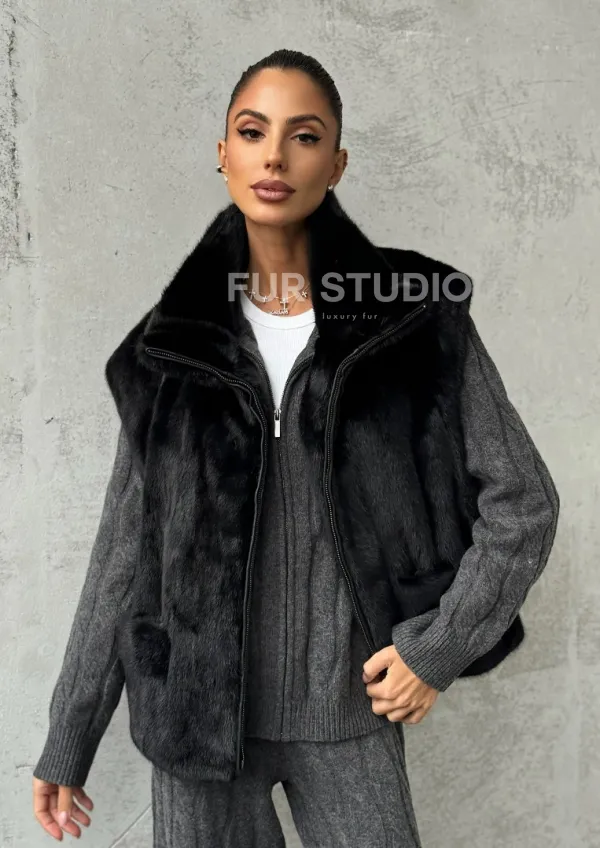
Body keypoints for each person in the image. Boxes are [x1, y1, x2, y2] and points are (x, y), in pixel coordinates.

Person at [32, 49, 560, 846]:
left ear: (337, 163)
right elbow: (124, 553)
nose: (274, 157)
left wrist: (437, 649)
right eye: (253, 132)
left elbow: (524, 505)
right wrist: (70, 734)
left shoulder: (415, 320)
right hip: (196, 731)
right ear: (224, 154)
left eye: (304, 136)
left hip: (349, 714)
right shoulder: (169, 352)